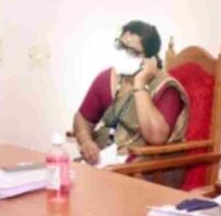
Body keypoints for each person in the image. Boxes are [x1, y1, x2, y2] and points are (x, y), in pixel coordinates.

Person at [72, 20, 190, 188]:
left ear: (149, 59)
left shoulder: (166, 88)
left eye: (132, 52)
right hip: (103, 161)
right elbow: (82, 118)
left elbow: (157, 137)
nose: (123, 54)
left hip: (145, 170)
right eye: (120, 46)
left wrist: (139, 83)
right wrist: (85, 141)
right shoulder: (108, 78)